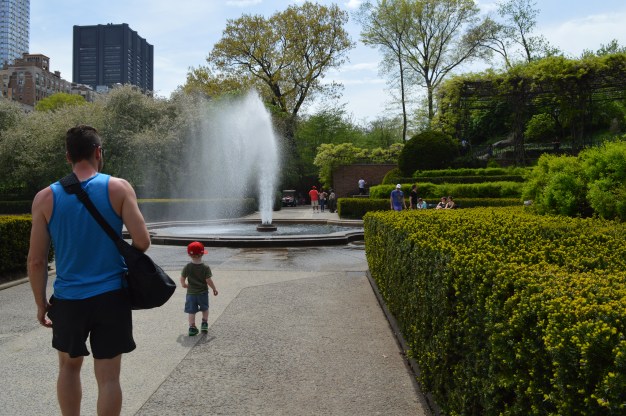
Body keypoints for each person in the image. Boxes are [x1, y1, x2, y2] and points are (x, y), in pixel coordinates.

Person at [27, 125, 151, 416]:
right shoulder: (119, 188)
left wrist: (40, 303)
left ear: (68, 156)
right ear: (98, 152)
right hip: (112, 296)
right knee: (109, 377)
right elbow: (142, 241)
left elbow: (36, 260)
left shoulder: (45, 198)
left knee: (68, 367)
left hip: (68, 299)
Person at [180, 241, 218, 336]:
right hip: (203, 293)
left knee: (191, 311)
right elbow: (208, 280)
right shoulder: (205, 267)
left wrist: (183, 284)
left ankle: (192, 328)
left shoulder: (187, 267)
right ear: (202, 254)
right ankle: (204, 324)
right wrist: (214, 288)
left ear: (189, 254)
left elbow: (182, 278)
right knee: (205, 308)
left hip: (191, 294)